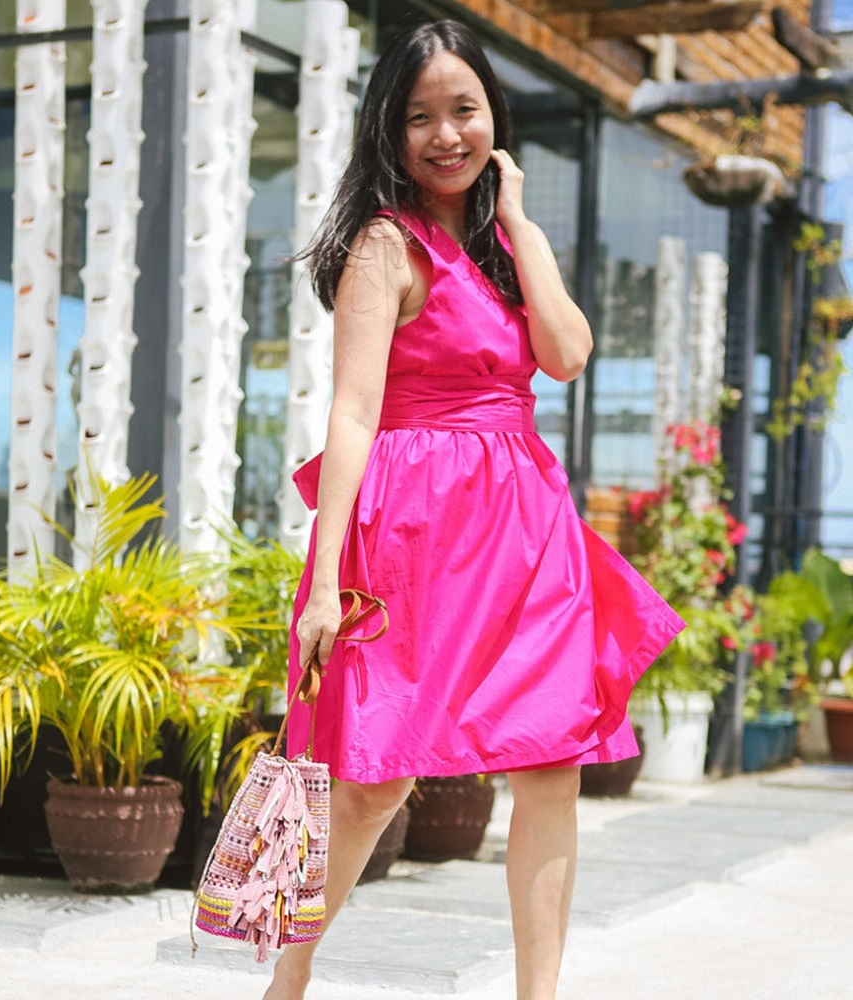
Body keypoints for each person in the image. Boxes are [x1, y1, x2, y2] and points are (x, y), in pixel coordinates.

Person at [265, 19, 685, 1000]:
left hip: (524, 536)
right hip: (412, 530)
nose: (444, 134)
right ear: (388, 131)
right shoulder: (383, 244)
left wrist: (524, 225)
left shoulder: (503, 245)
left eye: (463, 111)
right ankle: (287, 981)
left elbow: (568, 354)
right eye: (419, 117)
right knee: (373, 781)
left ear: (493, 119)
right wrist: (323, 579)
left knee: (550, 765)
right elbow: (354, 411)